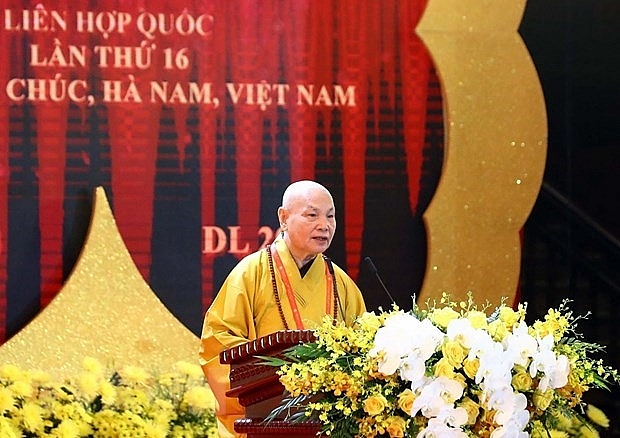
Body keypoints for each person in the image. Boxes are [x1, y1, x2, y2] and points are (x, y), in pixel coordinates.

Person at [199, 180, 366, 437]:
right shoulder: (250, 273)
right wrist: (274, 379)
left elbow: (362, 350)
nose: (325, 225)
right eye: (312, 215)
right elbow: (217, 343)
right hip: (266, 422)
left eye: (331, 216)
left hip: (327, 426)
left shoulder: (342, 284)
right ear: (284, 218)